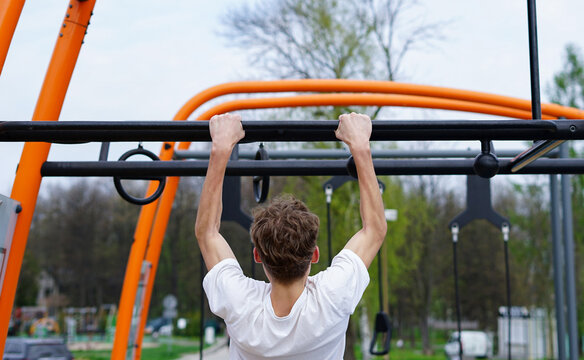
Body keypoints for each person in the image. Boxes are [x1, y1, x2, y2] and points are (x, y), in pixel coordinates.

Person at [195, 112, 387, 359]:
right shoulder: (331, 297)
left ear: (257, 255)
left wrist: (220, 149)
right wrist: (360, 147)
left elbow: (207, 232)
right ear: (314, 254)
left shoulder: (241, 304)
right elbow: (375, 229)